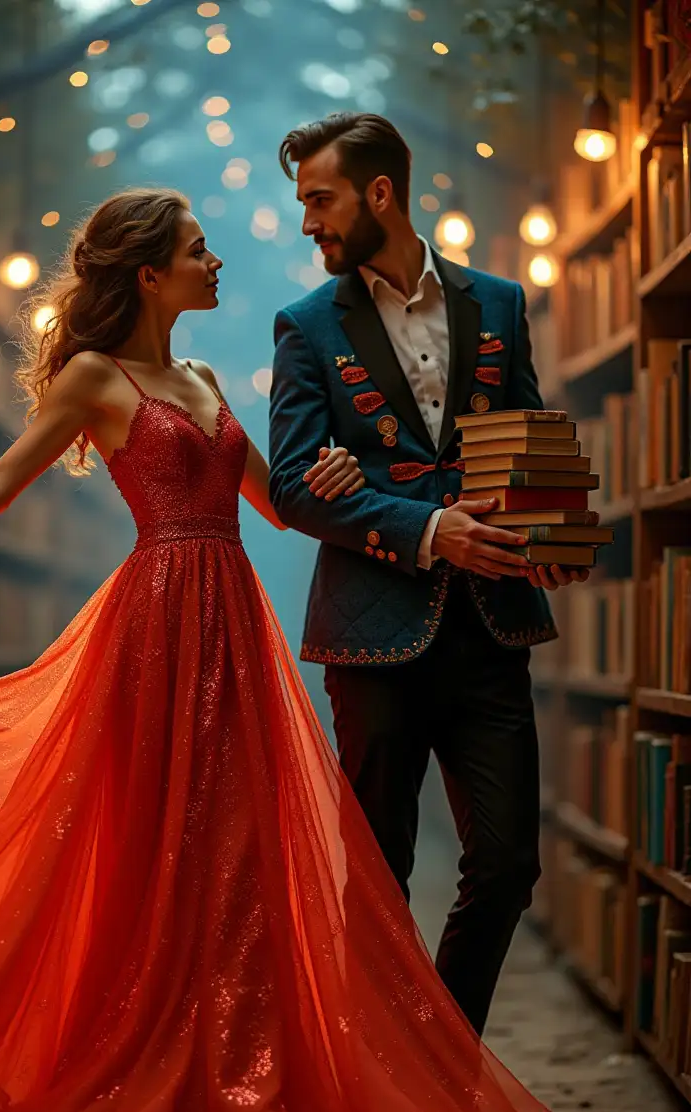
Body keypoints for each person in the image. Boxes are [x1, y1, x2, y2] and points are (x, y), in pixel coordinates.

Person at [0, 187, 548, 1112]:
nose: (215, 260)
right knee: (159, 854)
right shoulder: (96, 378)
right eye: (196, 249)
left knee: (239, 862)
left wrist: (362, 481)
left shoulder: (206, 378)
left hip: (233, 629)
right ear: (148, 274)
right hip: (155, 634)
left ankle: (239, 1089)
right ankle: (155, 1102)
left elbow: (276, 503)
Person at [268, 113, 589, 1053]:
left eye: (319, 201)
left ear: (380, 195)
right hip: (373, 635)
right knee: (375, 876)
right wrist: (426, 528)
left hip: (493, 626)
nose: (307, 224)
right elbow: (291, 483)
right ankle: (391, 1100)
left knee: (507, 865)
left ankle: (439, 1074)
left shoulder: (498, 301)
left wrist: (554, 534)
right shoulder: (305, 327)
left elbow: (525, 440)